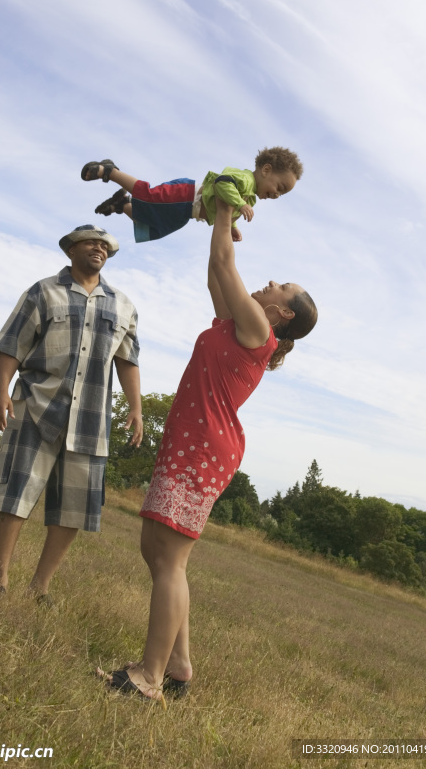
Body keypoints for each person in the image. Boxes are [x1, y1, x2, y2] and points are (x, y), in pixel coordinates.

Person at [98, 198, 317, 699]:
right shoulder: (235, 325)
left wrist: (224, 212)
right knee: (155, 550)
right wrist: (223, 223)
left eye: (280, 286)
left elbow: (225, 264)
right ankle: (177, 667)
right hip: (189, 442)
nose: (269, 283)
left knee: (169, 560)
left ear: (282, 313)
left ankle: (149, 679)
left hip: (203, 451)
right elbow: (214, 275)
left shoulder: (259, 331)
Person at [0, 224, 142, 603]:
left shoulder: (123, 305)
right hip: (37, 406)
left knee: (73, 509)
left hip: (90, 419)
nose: (98, 248)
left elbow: (128, 361)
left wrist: (136, 408)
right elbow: (12, 345)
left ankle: (40, 587)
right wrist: (1, 390)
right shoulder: (43, 292)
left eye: (105, 245)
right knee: (14, 494)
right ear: (70, 250)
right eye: (90, 242)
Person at [81, 146, 303, 243]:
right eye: (279, 188)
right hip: (187, 195)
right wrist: (239, 204)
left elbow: (226, 210)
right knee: (148, 196)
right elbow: (222, 183)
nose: (277, 195)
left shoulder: (250, 197)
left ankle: (122, 205)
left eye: (282, 195)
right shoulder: (245, 180)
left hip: (187, 212)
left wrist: (233, 227)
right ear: (266, 170)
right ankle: (110, 171)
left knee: (156, 228)